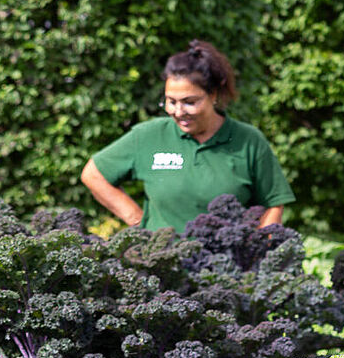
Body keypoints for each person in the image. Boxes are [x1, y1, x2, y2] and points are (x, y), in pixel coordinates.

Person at [81, 40, 295, 234]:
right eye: (170, 101)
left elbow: (273, 204)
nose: (178, 111)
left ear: (213, 95)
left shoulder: (248, 140)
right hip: (161, 265)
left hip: (228, 270)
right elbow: (93, 174)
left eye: (189, 102)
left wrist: (261, 250)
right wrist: (138, 219)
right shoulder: (149, 136)